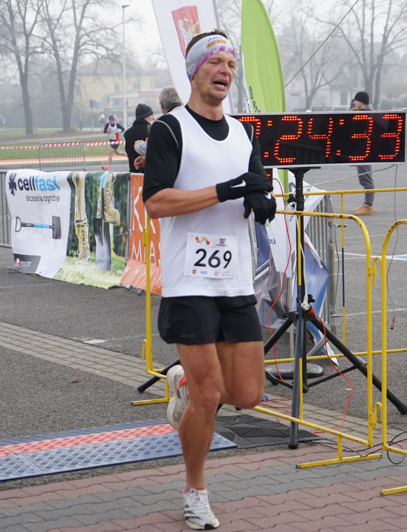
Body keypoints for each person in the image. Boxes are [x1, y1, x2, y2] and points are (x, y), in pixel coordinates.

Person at [143, 30, 276, 531]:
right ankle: (195, 491)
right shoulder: (170, 130)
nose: (224, 70)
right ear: (195, 70)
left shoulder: (244, 133)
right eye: (215, 62)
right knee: (208, 396)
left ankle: (179, 380)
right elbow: (155, 202)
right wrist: (222, 190)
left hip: (236, 279)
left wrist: (261, 202)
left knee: (248, 395)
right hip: (189, 281)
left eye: (230, 64)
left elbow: (256, 188)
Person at [350, 91, 375, 216]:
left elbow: (361, 136)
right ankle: (367, 204)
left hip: (365, 151)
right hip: (364, 150)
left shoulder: (366, 114)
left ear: (360, 101)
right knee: (365, 177)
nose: (354, 103)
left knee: (366, 178)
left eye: (356, 100)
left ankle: (368, 205)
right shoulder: (366, 113)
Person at [124, 103, 154, 173]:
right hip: (149, 176)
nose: (153, 118)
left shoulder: (127, 134)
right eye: (151, 115)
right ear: (145, 116)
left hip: (133, 176)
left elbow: (127, 153)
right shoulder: (152, 131)